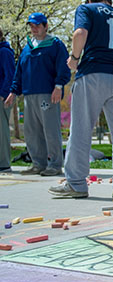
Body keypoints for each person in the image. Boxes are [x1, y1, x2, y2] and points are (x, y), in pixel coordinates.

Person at [48, 0, 113, 198]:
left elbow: (80, 33)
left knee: (81, 130)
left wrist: (74, 58)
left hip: (92, 74)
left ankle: (76, 184)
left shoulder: (86, 9)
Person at [5, 13, 70, 176]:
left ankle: (55, 164)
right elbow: (19, 72)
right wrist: (13, 91)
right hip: (28, 94)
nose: (34, 29)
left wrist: (58, 86)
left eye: (37, 25)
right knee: (31, 131)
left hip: (48, 93)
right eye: (31, 26)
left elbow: (63, 67)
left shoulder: (55, 44)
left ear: (45, 26)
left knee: (50, 129)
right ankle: (38, 163)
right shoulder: (27, 48)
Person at [0, 29, 15, 173]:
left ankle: (3, 163)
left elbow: (10, 74)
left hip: (2, 97)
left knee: (2, 130)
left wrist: (3, 94)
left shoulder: (4, 52)